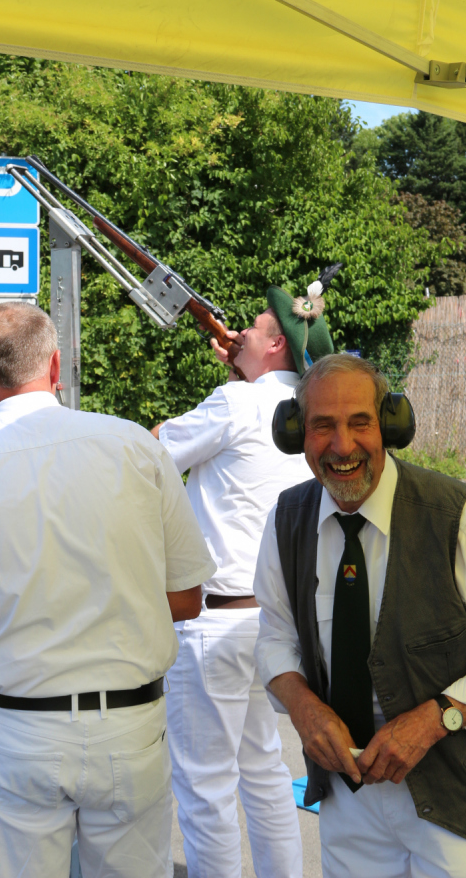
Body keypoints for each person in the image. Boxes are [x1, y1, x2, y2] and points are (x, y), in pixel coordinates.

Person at [0, 301, 216, 878]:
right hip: (129, 724)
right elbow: (186, 599)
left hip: (16, 733)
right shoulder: (135, 446)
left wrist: (7, 634)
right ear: (57, 364)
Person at [254, 352, 466, 878]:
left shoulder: (458, 517)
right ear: (296, 433)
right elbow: (275, 638)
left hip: (456, 793)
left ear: (390, 426)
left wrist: (435, 719)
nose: (342, 446)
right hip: (348, 794)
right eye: (322, 426)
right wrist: (304, 709)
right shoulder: (287, 521)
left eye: (360, 423)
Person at [151, 281, 334, 878]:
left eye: (252, 329)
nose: (239, 334)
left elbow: (153, 453)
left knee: (204, 786)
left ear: (276, 342)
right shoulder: (306, 413)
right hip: (276, 623)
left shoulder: (235, 403)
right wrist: (239, 369)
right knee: (263, 771)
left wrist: (230, 383)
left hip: (216, 620)